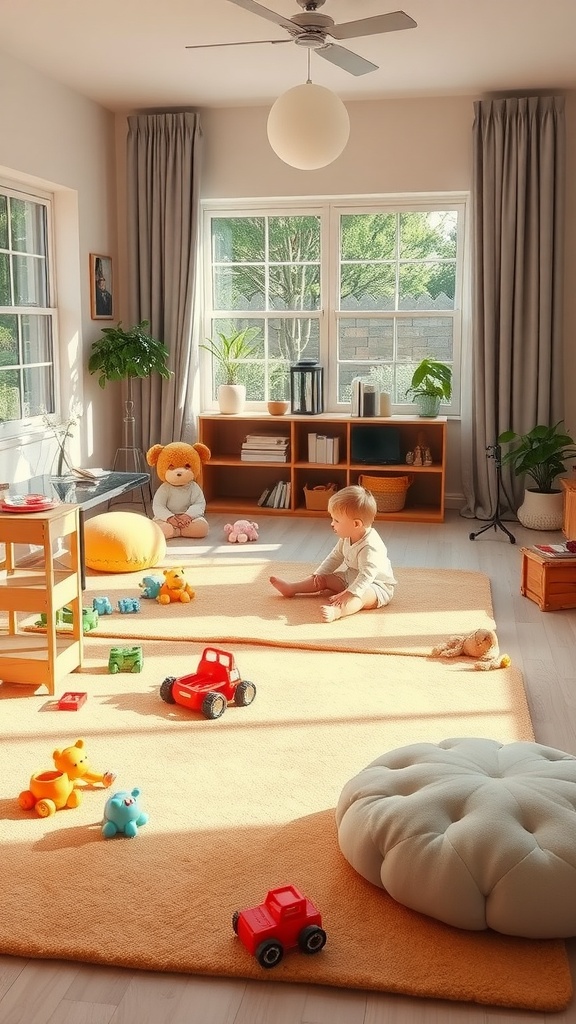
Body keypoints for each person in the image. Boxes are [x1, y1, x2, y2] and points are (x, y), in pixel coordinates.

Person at [270, 484, 397, 622]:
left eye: (336, 520)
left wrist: (349, 593)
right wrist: (319, 574)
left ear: (356, 524)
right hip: (351, 577)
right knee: (323, 579)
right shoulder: (347, 536)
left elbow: (367, 576)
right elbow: (335, 556)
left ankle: (338, 611)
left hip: (376, 586)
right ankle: (292, 588)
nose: (332, 524)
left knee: (359, 598)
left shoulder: (370, 547)